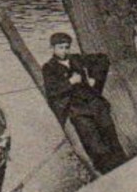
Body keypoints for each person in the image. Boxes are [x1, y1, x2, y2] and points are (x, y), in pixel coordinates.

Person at [40, 31, 129, 174]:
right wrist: (70, 82)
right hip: (77, 110)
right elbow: (52, 92)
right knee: (94, 146)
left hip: (95, 103)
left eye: (67, 47)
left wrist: (95, 79)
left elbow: (102, 59)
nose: (64, 51)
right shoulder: (48, 68)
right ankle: (108, 175)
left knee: (111, 136)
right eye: (61, 47)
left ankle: (126, 170)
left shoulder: (77, 59)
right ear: (53, 48)